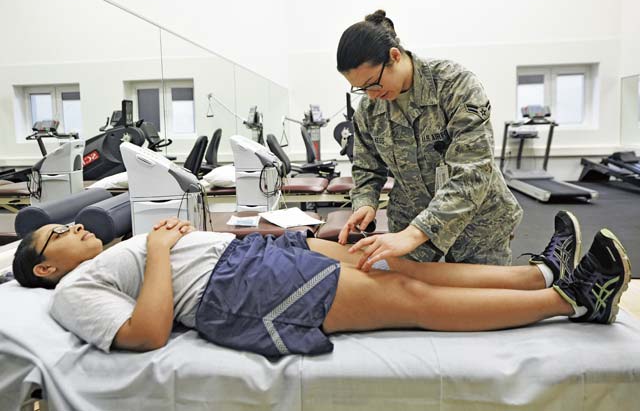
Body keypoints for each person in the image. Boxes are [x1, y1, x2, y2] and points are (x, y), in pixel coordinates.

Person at [11, 210, 631, 357]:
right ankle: (575, 300)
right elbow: (146, 333)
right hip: (237, 288)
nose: (71, 225)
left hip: (250, 255)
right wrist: (155, 246)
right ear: (45, 266)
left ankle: (541, 273)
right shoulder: (73, 292)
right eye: (55, 234)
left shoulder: (108, 254)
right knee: (406, 298)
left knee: (397, 263)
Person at [336, 10, 523, 271]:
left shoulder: (454, 85)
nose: (372, 95)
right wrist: (365, 202)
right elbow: (367, 168)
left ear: (394, 56)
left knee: (480, 301)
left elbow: (473, 171)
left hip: (477, 222)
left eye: (373, 83)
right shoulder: (369, 110)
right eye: (361, 88)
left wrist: (416, 233)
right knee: (413, 301)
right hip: (409, 218)